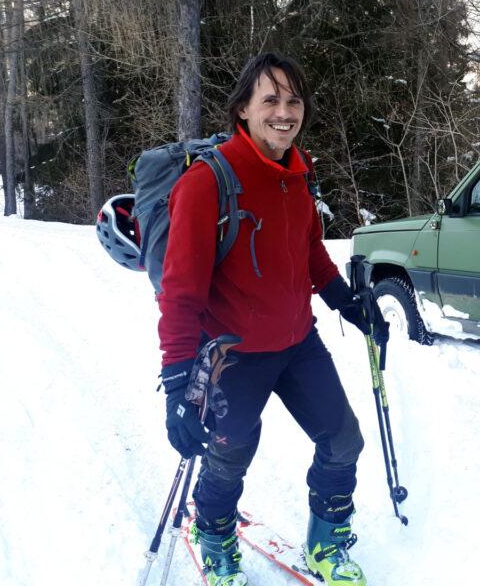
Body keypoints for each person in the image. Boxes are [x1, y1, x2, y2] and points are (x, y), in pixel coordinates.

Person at [157, 52, 384, 586]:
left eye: (293, 101)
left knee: (343, 440)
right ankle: (213, 535)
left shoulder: (297, 174)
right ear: (243, 109)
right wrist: (175, 381)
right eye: (271, 100)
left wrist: (346, 302)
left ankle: (326, 544)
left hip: (297, 343)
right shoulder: (207, 183)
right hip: (232, 354)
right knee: (229, 456)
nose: (284, 112)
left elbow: (309, 252)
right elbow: (180, 291)